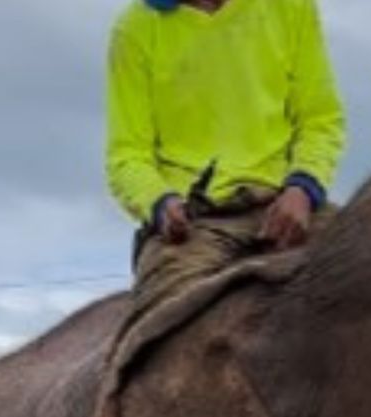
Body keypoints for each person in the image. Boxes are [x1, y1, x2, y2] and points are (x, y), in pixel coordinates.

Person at [106, 0, 346, 314]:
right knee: (170, 326)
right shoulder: (136, 28)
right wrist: (159, 203)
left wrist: (302, 189)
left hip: (287, 205)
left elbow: (320, 120)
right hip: (196, 224)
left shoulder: (291, 8)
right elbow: (127, 155)